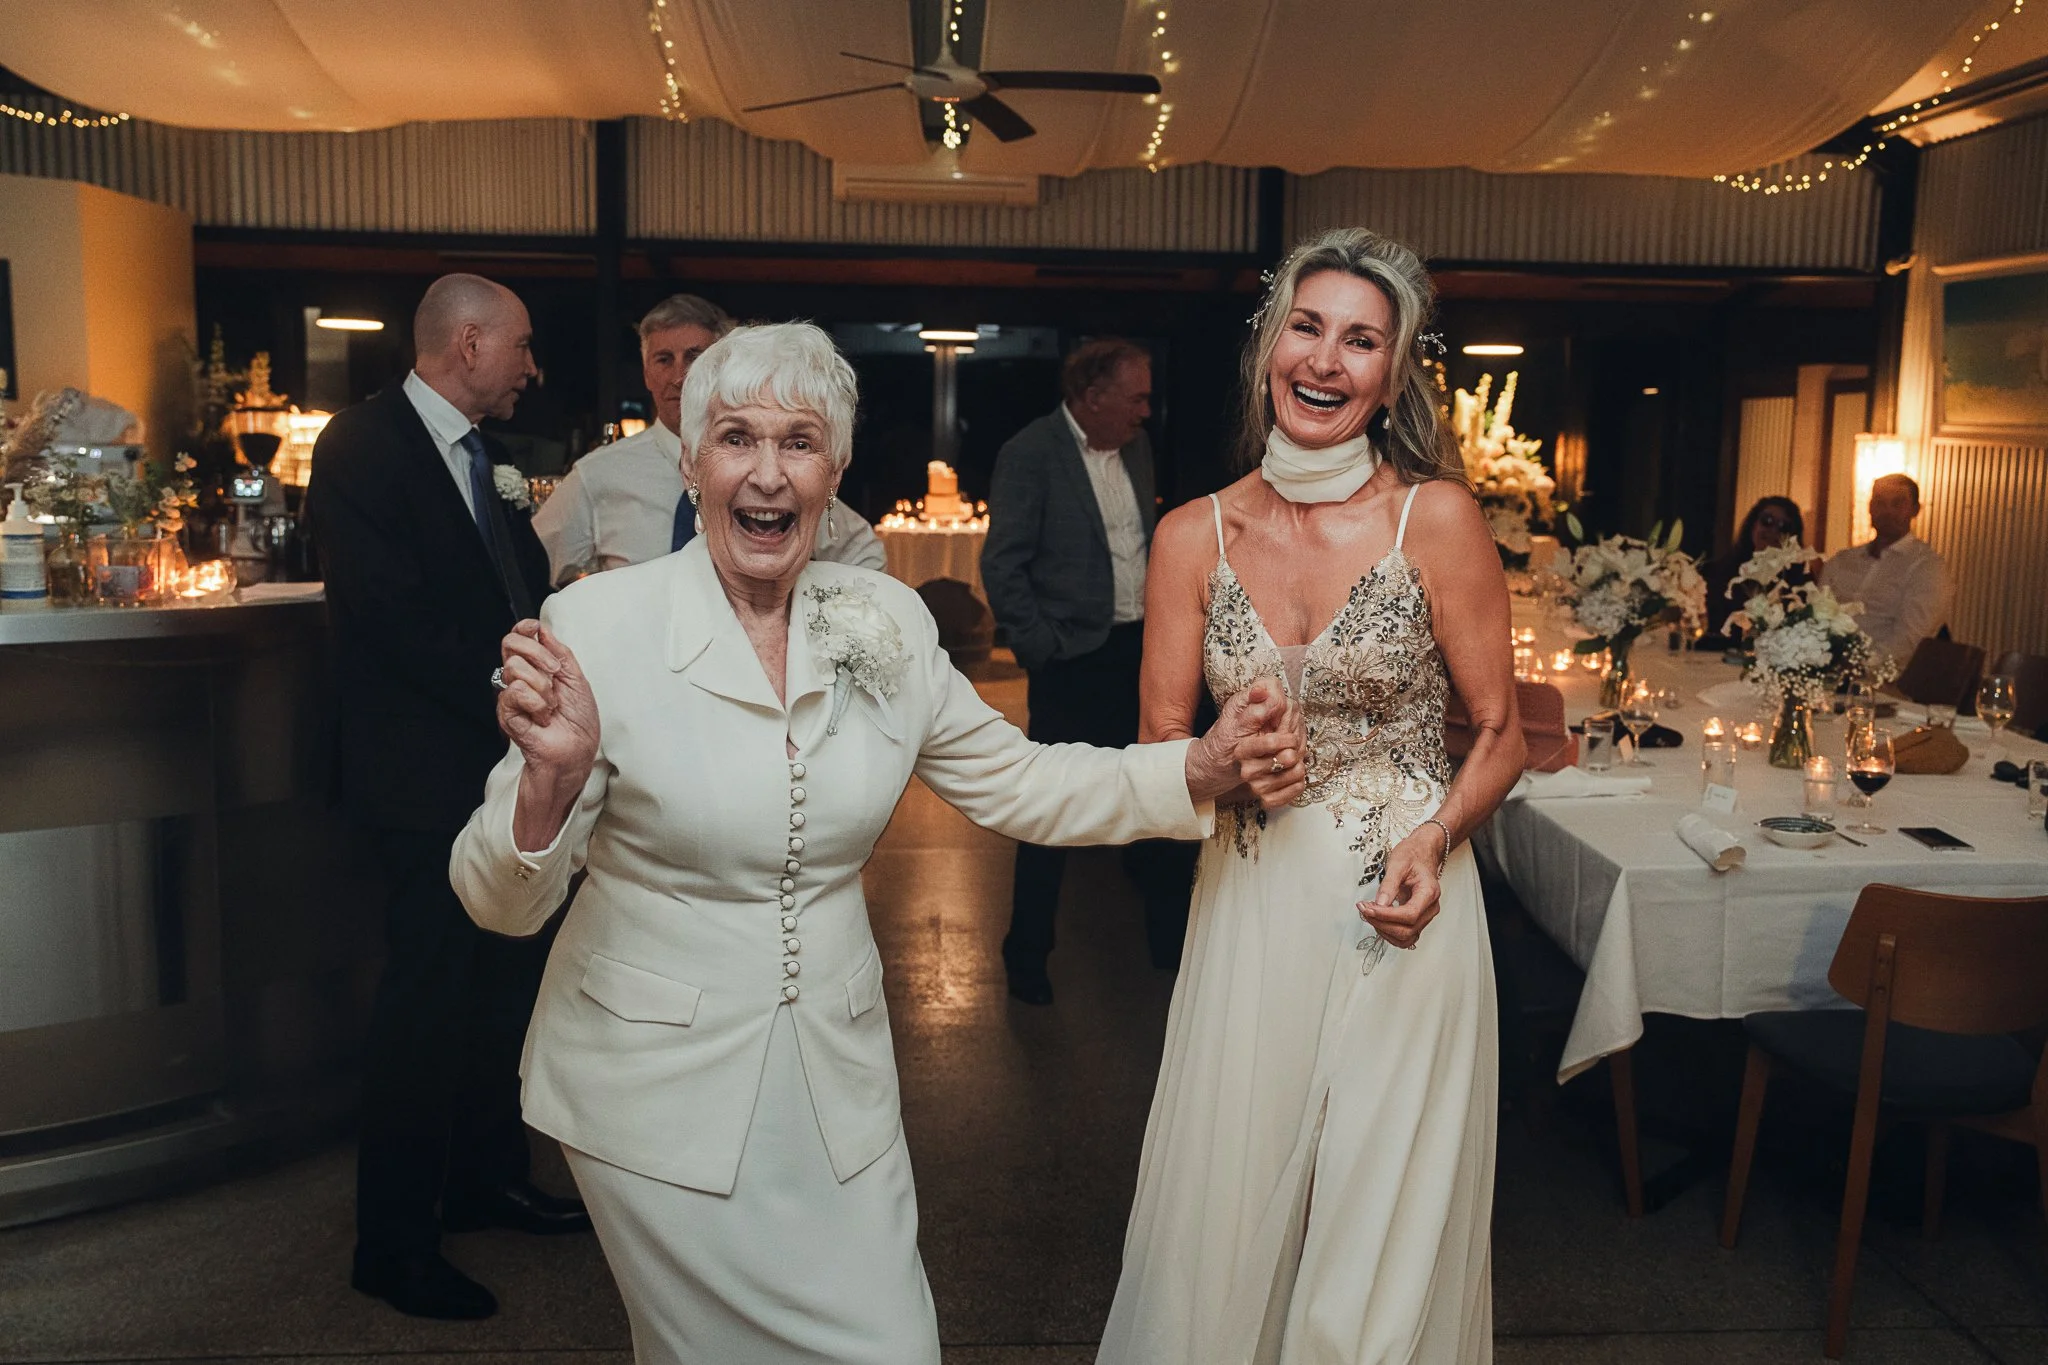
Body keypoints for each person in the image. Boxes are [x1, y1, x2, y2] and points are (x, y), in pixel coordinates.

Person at [448, 322, 1305, 1365]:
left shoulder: (885, 620)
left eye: (799, 441)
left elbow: (1021, 781)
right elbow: (498, 901)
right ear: (689, 458)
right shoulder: (597, 624)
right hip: (649, 1091)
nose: (766, 473)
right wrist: (551, 778)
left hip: (833, 1083)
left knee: (890, 1343)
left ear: (835, 471)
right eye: (735, 438)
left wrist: (1197, 771)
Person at [1098, 228, 1525, 1364]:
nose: (1325, 359)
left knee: (1379, 1221)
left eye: (1361, 339)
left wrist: (1435, 838)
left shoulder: (1431, 518)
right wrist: (1221, 767)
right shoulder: (1192, 533)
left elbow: (1499, 733)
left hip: (1407, 907)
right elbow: (1157, 743)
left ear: (1392, 373)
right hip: (1249, 904)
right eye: (1306, 326)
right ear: (1267, 348)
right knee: (1230, 1204)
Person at [306, 274, 588, 1323]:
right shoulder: (364, 446)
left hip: (491, 769)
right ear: (466, 343)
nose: (531, 365)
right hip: (417, 775)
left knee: (498, 991)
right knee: (423, 1008)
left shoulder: (486, 456)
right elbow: (385, 619)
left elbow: (510, 593)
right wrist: (517, 695)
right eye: (519, 345)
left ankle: (483, 1178)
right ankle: (393, 1242)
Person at [980, 338, 1198, 1002]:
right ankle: (1027, 957)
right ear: (1091, 395)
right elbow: (1002, 564)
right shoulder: (1030, 453)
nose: (1145, 410)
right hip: (1071, 660)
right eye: (1134, 396)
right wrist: (1040, 646)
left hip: (1142, 649)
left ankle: (1170, 949)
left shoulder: (1135, 447)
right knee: (1053, 809)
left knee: (1162, 793)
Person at [533, 293, 883, 584]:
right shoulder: (601, 473)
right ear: (645, 373)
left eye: (695, 357)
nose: (679, 376)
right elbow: (532, 564)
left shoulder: (781, 480)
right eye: (663, 359)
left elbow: (860, 550)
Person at [1819, 472, 1952, 666]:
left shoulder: (1927, 567)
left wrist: (1859, 665)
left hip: (1886, 680)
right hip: (1824, 668)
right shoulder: (1842, 561)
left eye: (1897, 504)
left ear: (1915, 510)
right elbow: (1817, 614)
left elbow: (1910, 638)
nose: (1887, 511)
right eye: (1880, 503)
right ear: (1870, 507)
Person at [1701, 495, 1810, 639]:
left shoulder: (1800, 579)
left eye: (1784, 527)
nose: (1773, 531)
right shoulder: (1720, 570)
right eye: (1767, 521)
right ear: (1753, 525)